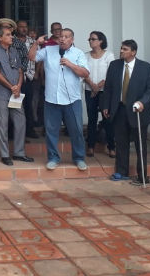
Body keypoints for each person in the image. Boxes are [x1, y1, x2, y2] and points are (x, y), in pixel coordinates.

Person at [28, 28, 89, 171]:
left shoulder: (78, 53)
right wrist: (36, 43)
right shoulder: (49, 50)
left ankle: (79, 158)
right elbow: (32, 57)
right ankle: (53, 158)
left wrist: (70, 64)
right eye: (61, 36)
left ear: (72, 40)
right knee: (51, 131)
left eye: (66, 37)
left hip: (72, 101)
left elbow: (85, 73)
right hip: (51, 100)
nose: (62, 39)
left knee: (77, 131)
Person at [102, 39, 150, 182]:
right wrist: (106, 106)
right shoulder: (115, 65)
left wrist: (142, 102)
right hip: (119, 109)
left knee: (140, 145)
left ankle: (142, 175)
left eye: (125, 49)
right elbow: (108, 87)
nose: (121, 51)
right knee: (121, 142)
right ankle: (121, 171)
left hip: (138, 111)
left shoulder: (146, 68)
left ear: (133, 52)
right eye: (121, 48)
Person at [0, 26, 34, 166]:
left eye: (11, 35)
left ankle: (19, 153)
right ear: (0, 38)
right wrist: (11, 87)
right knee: (3, 124)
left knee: (20, 120)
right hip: (1, 93)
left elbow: (20, 71)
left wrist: (18, 86)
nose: (12, 37)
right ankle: (4, 154)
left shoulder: (14, 50)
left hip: (15, 93)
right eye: (8, 35)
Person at [84, 31, 116, 158]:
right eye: (90, 39)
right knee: (92, 119)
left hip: (105, 92)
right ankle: (90, 146)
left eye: (93, 39)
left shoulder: (109, 55)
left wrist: (98, 87)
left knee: (107, 119)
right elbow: (84, 72)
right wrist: (92, 85)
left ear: (101, 41)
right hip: (89, 89)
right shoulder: (85, 55)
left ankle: (111, 147)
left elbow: (111, 73)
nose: (90, 41)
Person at [16, 20, 39, 139]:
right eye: (21, 27)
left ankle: (29, 130)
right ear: (16, 28)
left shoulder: (33, 42)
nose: (24, 29)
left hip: (29, 77)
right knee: (16, 105)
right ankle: (15, 131)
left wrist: (36, 73)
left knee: (29, 105)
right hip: (15, 79)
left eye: (25, 27)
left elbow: (39, 58)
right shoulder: (12, 40)